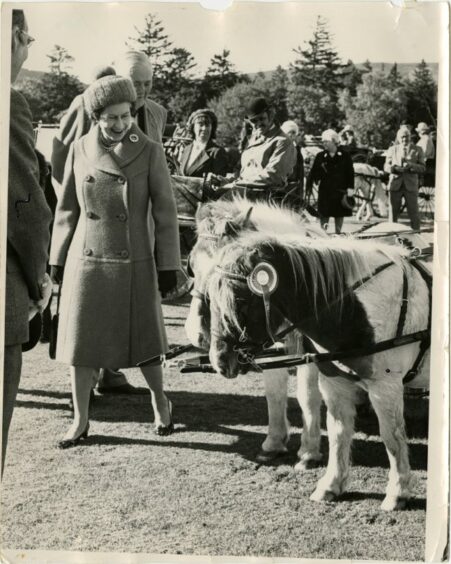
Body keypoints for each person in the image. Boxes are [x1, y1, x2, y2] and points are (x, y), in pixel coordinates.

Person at [49, 76, 181, 447]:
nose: (121, 124)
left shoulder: (150, 150)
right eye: (111, 118)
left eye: (126, 116)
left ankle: (160, 401)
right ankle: (80, 419)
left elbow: (166, 212)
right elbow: (67, 210)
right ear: (95, 117)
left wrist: (168, 262)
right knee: (81, 346)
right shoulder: (78, 148)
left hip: (134, 260)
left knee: (146, 344)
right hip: (87, 260)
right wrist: (57, 258)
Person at [3, 9, 53, 475]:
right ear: (14, 35)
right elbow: (25, 209)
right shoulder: (8, 100)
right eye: (28, 37)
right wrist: (40, 279)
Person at [306, 129, 355, 234]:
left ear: (334, 141)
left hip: (340, 191)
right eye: (323, 142)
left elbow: (350, 173)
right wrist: (313, 176)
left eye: (326, 141)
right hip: (325, 191)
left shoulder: (345, 156)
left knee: (339, 214)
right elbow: (315, 173)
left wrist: (351, 188)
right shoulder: (320, 156)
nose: (324, 144)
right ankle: (323, 233)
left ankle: (338, 233)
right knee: (324, 214)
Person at [384, 125, 425, 230]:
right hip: (395, 186)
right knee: (393, 215)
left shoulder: (418, 150)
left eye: (406, 136)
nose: (404, 139)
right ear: (398, 138)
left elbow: (423, 168)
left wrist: (411, 165)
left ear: (410, 137)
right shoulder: (392, 149)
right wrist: (394, 169)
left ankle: (417, 237)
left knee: (414, 214)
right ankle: (392, 237)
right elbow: (386, 167)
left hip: (411, 187)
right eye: (402, 137)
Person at [177, 109, 229, 177]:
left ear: (212, 128)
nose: (204, 128)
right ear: (193, 127)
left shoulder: (217, 152)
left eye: (207, 125)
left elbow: (219, 182)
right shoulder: (186, 149)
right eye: (200, 124)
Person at [280, 120, 305, 200]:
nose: (291, 135)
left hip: (294, 187)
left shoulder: (298, 150)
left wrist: (300, 192)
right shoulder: (279, 148)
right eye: (289, 132)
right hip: (281, 186)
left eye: (293, 133)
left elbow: (300, 173)